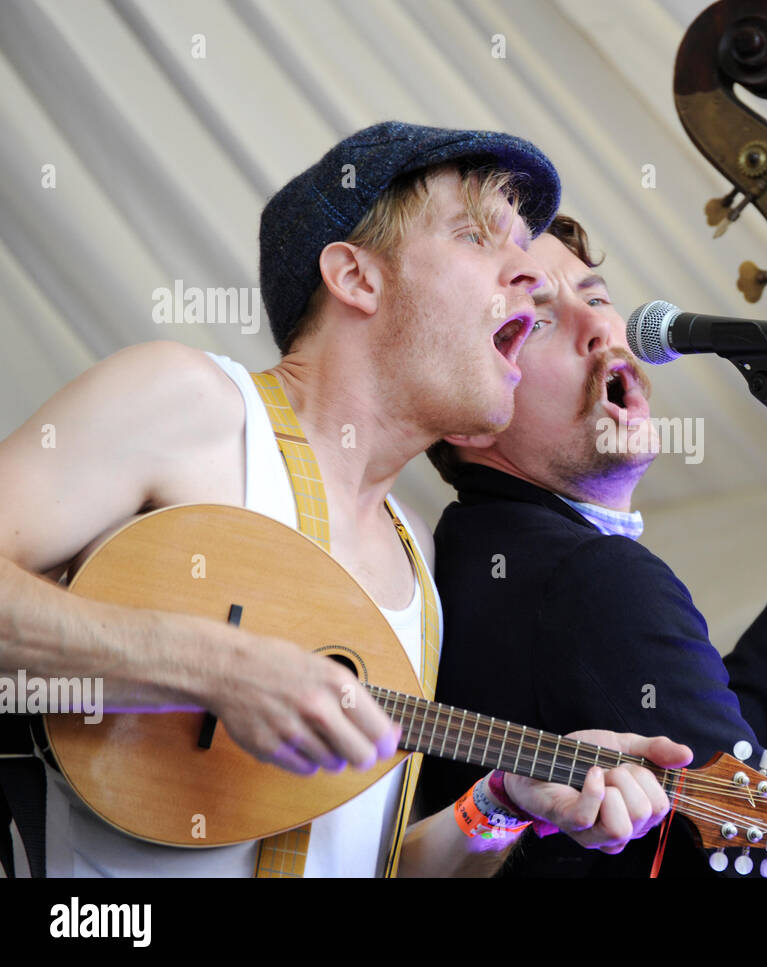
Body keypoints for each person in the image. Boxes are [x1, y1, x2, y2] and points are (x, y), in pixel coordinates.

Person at [0, 124, 689, 878]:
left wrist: (497, 805)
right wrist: (212, 664)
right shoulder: (188, 402)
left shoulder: (414, 560)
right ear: (357, 278)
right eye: (476, 237)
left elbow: (365, 865)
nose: (527, 273)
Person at [418, 215, 767, 876]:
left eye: (596, 297)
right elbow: (749, 827)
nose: (601, 331)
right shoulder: (587, 576)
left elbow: (701, 749)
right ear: (473, 405)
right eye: (543, 321)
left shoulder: (487, 556)